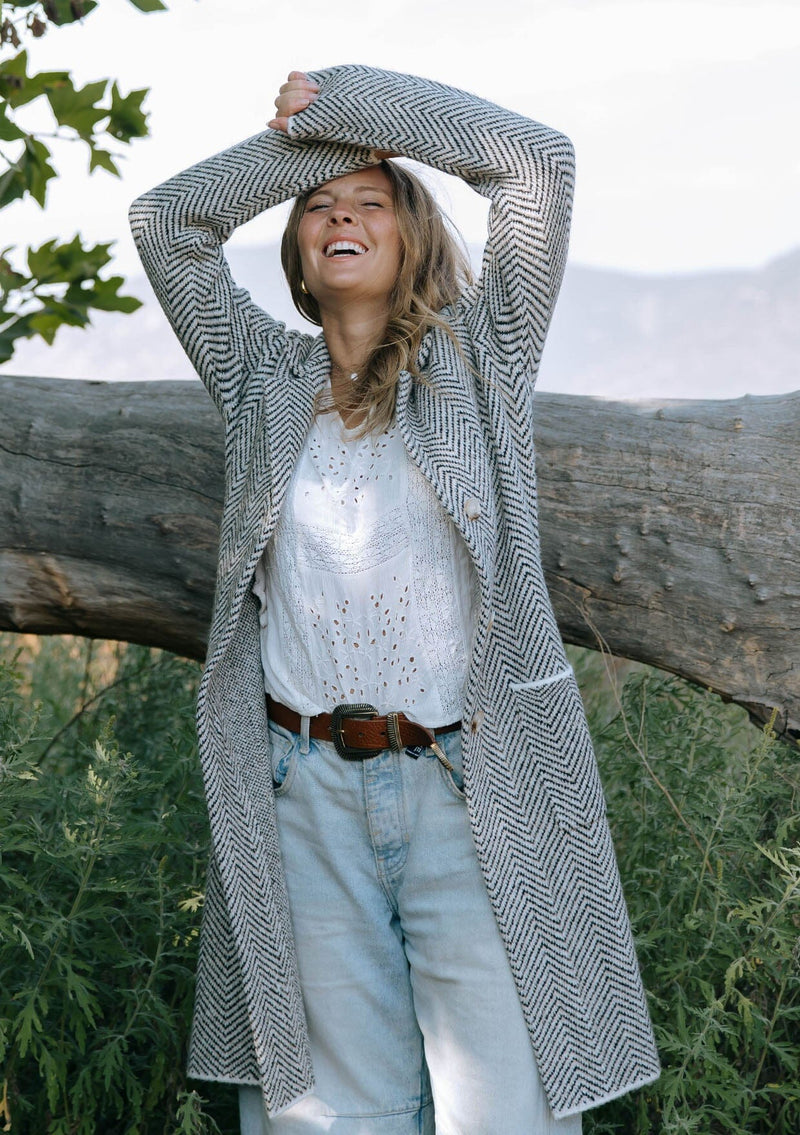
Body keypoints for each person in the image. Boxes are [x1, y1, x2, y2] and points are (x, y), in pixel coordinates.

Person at [130, 65, 660, 1135]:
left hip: (471, 786)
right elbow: (167, 221)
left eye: (371, 202)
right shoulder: (258, 377)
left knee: (506, 1112)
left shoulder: (482, 360)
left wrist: (348, 103)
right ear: (296, 255)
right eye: (319, 207)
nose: (340, 216)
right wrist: (312, 146)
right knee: (333, 1117)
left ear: (412, 238)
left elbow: (536, 165)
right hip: (302, 791)